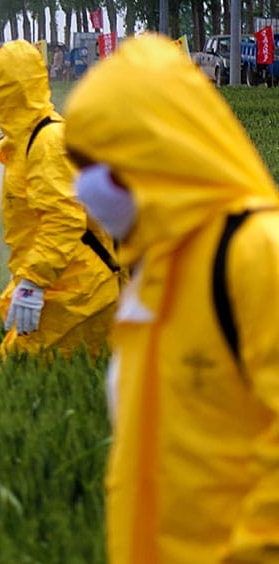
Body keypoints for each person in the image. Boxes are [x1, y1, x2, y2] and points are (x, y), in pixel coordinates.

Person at [64, 34, 279, 564]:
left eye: (100, 165)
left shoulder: (256, 254)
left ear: (156, 152)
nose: (85, 188)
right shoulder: (156, 271)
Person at [0, 39, 119, 360]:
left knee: (18, 375)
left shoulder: (47, 142)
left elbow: (64, 220)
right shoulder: (27, 141)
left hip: (79, 292)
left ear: (10, 91)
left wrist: (33, 281)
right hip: (64, 284)